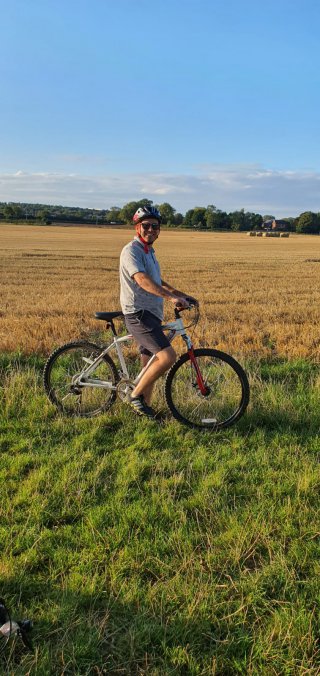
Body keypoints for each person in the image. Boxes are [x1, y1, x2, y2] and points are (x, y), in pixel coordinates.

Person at [119, 205, 198, 418]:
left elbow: (157, 281)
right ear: (137, 227)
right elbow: (142, 280)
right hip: (138, 314)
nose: (151, 230)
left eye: (155, 226)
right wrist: (171, 298)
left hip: (152, 315)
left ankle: (144, 412)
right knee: (167, 356)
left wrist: (180, 293)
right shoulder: (131, 251)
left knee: (150, 367)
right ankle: (135, 396)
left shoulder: (149, 252)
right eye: (146, 226)